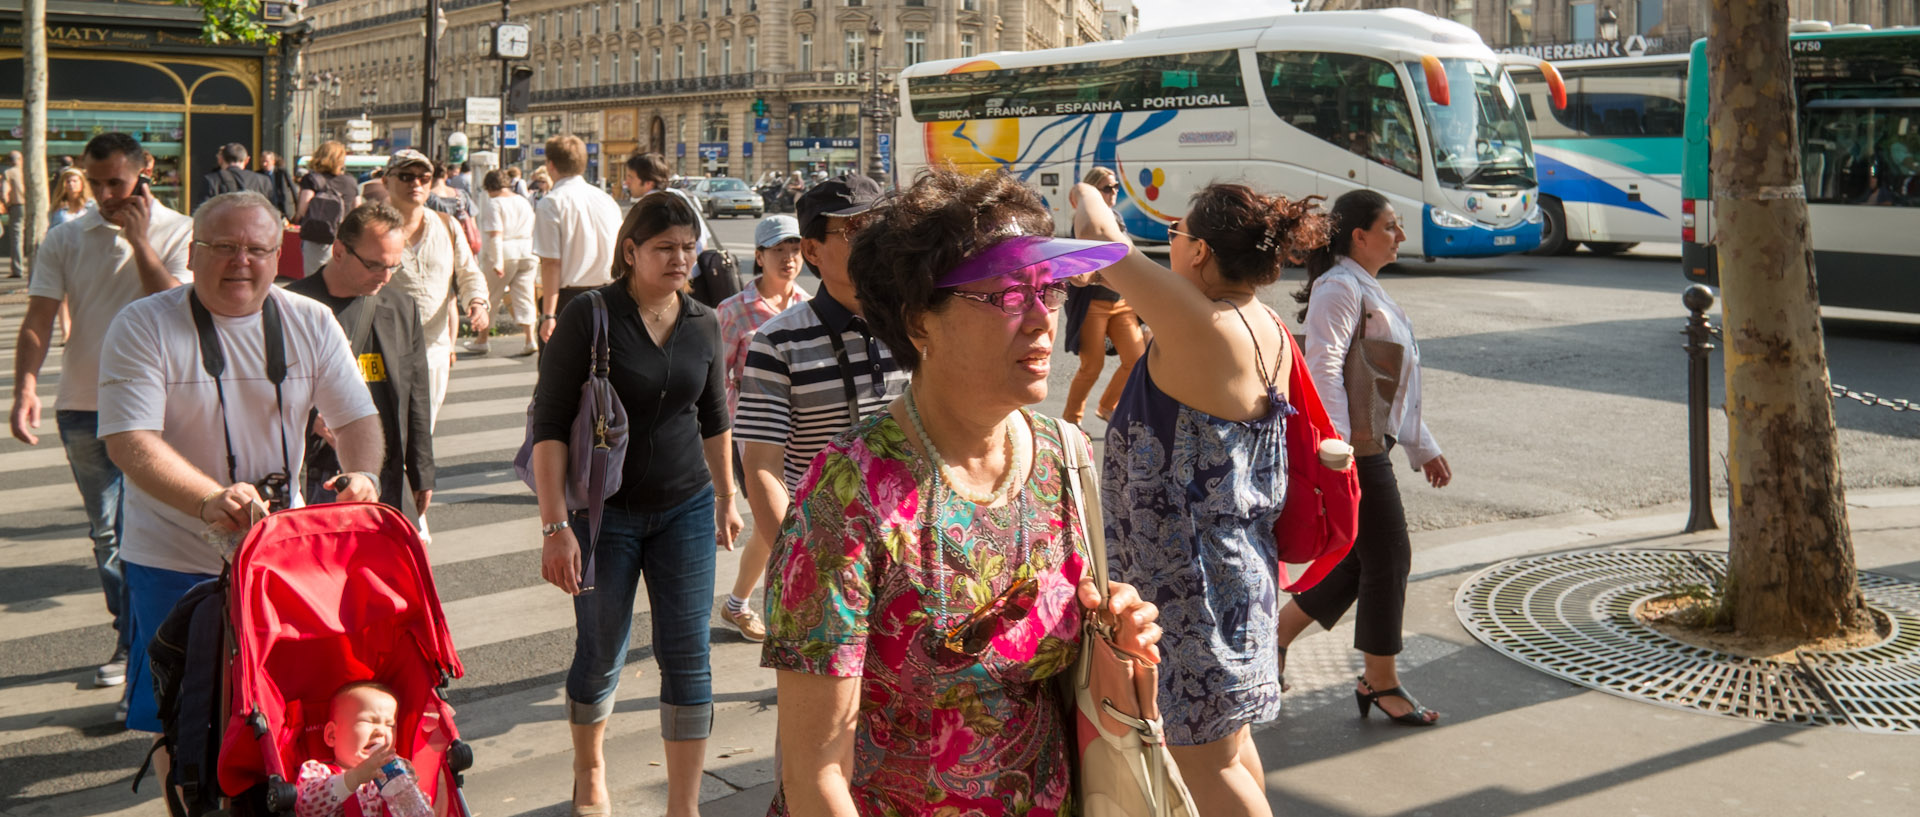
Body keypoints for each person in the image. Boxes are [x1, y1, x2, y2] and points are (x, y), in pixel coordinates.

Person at [762, 168, 1161, 816]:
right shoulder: (845, 496)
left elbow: (1078, 677)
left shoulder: (1065, 455)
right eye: (1007, 293)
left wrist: (1116, 635)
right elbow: (815, 776)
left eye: (1050, 287)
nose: (1041, 318)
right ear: (921, 320)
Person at [1073, 179, 1328, 817]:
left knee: (1204, 767)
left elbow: (1101, 235)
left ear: (1201, 252)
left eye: (1175, 234)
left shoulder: (1199, 323)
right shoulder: (1261, 321)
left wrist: (1088, 186)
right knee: (1230, 750)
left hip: (1190, 591)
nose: (1169, 245)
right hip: (1240, 572)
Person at [99, 191, 382, 754]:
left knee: (282, 704)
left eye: (257, 248)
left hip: (280, 557)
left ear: (280, 257)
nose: (241, 261)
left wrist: (364, 476)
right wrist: (209, 500)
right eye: (223, 247)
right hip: (172, 557)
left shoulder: (310, 320)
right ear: (192, 254)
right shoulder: (142, 325)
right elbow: (129, 442)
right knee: (179, 718)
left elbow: (356, 419)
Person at [530, 191, 743, 817]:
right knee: (601, 650)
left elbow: (713, 415)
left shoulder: (704, 321)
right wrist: (554, 526)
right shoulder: (589, 315)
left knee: (688, 655)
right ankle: (590, 769)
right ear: (631, 251)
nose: (681, 258)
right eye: (665, 248)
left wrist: (726, 496)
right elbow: (549, 421)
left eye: (688, 247)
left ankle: (685, 805)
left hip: (685, 508)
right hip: (604, 515)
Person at [10, 132, 195, 700]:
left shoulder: (182, 230)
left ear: (144, 172)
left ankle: (158, 646)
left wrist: (140, 242)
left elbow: (174, 311)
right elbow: (39, 317)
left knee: (165, 529)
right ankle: (131, 641)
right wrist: (24, 388)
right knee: (108, 534)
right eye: (96, 183)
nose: (107, 194)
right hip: (85, 405)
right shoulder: (67, 236)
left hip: (161, 408)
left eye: (117, 181)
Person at [1277, 189, 1450, 727]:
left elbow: (1394, 383)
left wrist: (1425, 448)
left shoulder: (1364, 286)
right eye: (1391, 226)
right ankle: (1380, 680)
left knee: (1360, 558)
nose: (1399, 235)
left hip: (1370, 443)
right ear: (1360, 235)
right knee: (1390, 556)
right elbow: (1323, 368)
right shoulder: (1339, 287)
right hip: (1353, 448)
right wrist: (1340, 448)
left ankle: (1274, 637)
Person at [732, 176, 908, 639]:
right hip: (823, 550)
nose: (873, 241)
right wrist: (802, 563)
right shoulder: (778, 341)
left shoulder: (914, 322)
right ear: (813, 252)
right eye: (854, 231)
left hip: (912, 545)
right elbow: (762, 467)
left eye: (879, 226)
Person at [287, 202, 435, 514]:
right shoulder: (292, 306)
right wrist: (311, 418)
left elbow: (417, 392)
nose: (385, 277)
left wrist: (422, 472)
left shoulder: (400, 307)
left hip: (387, 476)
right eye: (374, 265)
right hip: (319, 476)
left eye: (394, 266)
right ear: (338, 251)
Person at [711, 215, 808, 640]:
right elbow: (712, 382)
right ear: (759, 257)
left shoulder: (807, 305)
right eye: (778, 251)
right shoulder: (733, 311)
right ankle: (786, 613)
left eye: (794, 250)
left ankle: (737, 604)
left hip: (801, 433)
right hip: (752, 436)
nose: (788, 259)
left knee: (785, 524)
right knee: (780, 522)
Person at [381, 149, 491, 431]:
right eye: (406, 176)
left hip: (433, 347)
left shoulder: (447, 225)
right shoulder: (371, 227)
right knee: (386, 431)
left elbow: (469, 272)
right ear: (386, 181)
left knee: (421, 431)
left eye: (423, 177)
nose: (416, 184)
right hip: (383, 346)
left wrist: (478, 302)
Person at [1060, 167, 1147, 425]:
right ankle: (1071, 421)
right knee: (1092, 366)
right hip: (1093, 305)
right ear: (1094, 191)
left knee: (1137, 359)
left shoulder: (1117, 218)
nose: (1114, 192)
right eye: (1107, 187)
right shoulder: (1084, 221)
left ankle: (1107, 406)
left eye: (1116, 187)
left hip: (1121, 303)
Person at [533, 135, 624, 343]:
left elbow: (551, 263)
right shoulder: (606, 200)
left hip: (569, 300)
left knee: (560, 373)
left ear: (550, 164)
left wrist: (548, 315)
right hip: (609, 295)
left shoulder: (551, 203)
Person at [294, 682, 424, 817]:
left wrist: (407, 789)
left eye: (390, 725)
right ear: (332, 735)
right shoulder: (318, 771)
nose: (380, 731)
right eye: (369, 721)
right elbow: (307, 807)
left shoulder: (389, 778)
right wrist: (355, 777)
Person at [480, 169, 540, 357]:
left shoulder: (494, 203)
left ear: (490, 187)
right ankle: (530, 339)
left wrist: (497, 261)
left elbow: (495, 234)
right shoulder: (522, 201)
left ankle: (482, 339)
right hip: (527, 251)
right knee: (525, 296)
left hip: (505, 253)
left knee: (491, 297)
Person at [296, 141, 364, 277]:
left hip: (317, 237)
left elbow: (303, 208)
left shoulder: (311, 179)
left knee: (314, 280)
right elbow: (358, 210)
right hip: (343, 238)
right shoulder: (350, 181)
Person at [622, 152, 714, 252]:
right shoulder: (687, 196)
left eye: (630, 177)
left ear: (649, 183)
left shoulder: (651, 207)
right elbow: (703, 243)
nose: (626, 182)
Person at [198, 142, 275, 208]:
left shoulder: (212, 180)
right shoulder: (263, 180)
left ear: (221, 159)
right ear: (247, 160)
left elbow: (203, 211)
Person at [260, 151, 299, 221]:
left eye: (266, 161)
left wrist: (298, 206)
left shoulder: (281, 173)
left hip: (284, 208)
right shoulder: (258, 174)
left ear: (273, 161)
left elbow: (292, 188)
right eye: (262, 162)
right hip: (268, 208)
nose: (264, 164)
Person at [3, 150, 23, 277]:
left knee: (17, 237)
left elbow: (5, 193)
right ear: (20, 160)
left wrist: (7, 205)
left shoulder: (8, 173)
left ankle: (17, 269)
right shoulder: (26, 171)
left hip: (17, 206)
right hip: (32, 206)